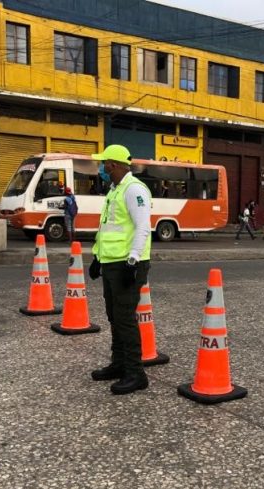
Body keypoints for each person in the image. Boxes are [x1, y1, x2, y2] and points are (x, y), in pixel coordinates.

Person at [88, 144, 152, 395]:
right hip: (111, 263)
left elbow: (143, 227)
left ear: (113, 165)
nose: (102, 168)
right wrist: (96, 257)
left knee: (125, 318)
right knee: (114, 316)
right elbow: (107, 228)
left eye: (104, 163)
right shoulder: (114, 190)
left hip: (127, 264)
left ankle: (136, 374)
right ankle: (119, 364)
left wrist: (133, 260)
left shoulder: (133, 189)